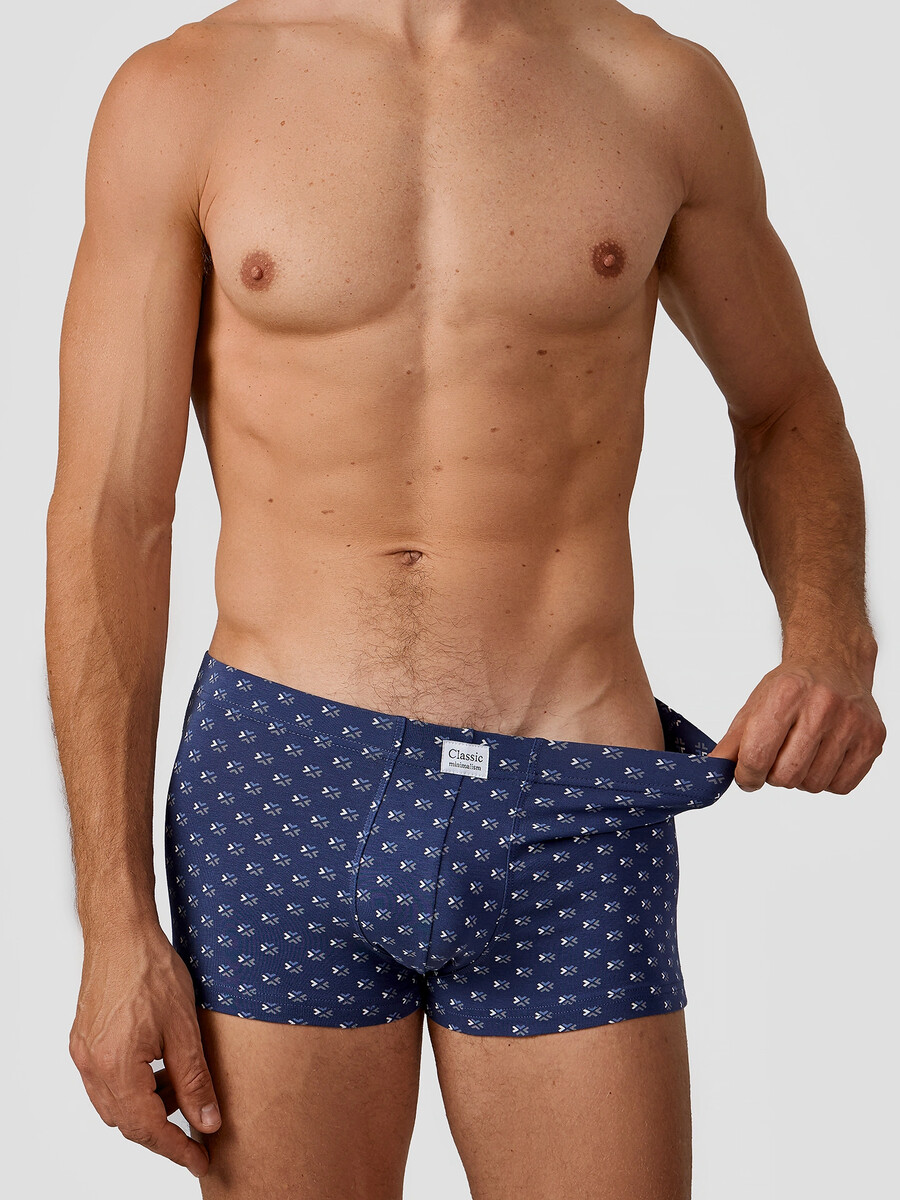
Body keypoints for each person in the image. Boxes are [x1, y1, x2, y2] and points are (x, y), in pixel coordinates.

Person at [45, 1, 885, 1196]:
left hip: (570, 786)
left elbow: (787, 403)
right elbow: (111, 513)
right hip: (283, 787)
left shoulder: (657, 91)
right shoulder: (183, 95)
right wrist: (112, 918)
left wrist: (831, 640)